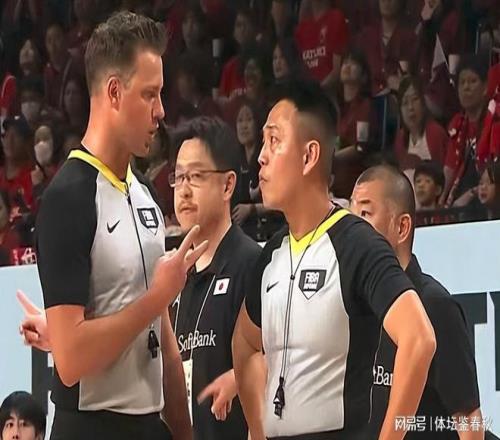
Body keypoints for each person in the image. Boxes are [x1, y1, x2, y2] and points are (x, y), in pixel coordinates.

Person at [19, 11, 208, 440]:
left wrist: (184, 433)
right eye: (150, 94)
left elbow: (163, 339)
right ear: (115, 92)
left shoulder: (145, 193)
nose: (161, 111)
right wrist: (157, 297)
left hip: (149, 423)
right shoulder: (68, 198)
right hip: (90, 427)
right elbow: (71, 360)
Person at [232, 80, 436, 440]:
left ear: (309, 156)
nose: (261, 156)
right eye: (263, 142)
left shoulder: (357, 244)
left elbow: (419, 340)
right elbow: (244, 343)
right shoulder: (271, 255)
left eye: (274, 140)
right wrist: (258, 431)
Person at [350, 165, 482, 439]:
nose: (352, 229)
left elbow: (469, 418)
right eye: (350, 216)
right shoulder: (353, 304)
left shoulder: (434, 306)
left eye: (365, 214)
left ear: (402, 227)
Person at [169, 117, 262, 439]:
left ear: (227, 185)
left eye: (196, 176)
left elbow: (284, 356)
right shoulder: (173, 277)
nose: (183, 190)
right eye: (179, 177)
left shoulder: (252, 264)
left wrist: (241, 377)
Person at [443, 55, 489, 208]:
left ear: (485, 87)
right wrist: (441, 201)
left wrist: (470, 194)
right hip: (458, 199)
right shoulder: (457, 123)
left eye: (472, 81)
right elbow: (449, 168)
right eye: (462, 82)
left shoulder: (494, 121)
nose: (466, 87)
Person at [394, 76, 448, 184]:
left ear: (423, 103)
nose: (410, 108)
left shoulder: (436, 133)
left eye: (415, 99)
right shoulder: (400, 138)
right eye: (405, 103)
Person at [294, 0, 349, 89]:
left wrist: (318, 92)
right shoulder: (301, 29)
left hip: (329, 93)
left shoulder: (336, 18)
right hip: (305, 93)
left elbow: (337, 71)